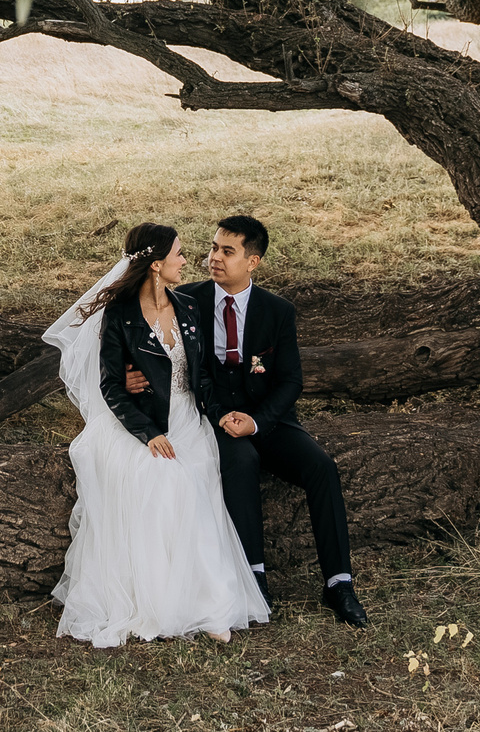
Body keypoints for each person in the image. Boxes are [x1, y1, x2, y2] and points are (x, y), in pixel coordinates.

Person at [44, 221, 271, 647]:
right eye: (180, 254)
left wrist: (219, 415)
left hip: (186, 419)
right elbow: (111, 385)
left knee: (196, 478)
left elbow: (200, 376)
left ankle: (209, 603)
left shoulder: (186, 307)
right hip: (139, 424)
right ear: (155, 264)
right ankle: (162, 601)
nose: (188, 261)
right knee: (163, 479)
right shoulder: (120, 316)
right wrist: (147, 433)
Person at [141, 215, 369, 627]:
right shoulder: (186, 301)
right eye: (213, 248)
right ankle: (253, 578)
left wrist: (258, 421)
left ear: (253, 261)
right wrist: (132, 371)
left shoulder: (277, 311)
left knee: (322, 467)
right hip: (213, 416)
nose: (214, 258)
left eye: (227, 251)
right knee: (240, 463)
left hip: (268, 419)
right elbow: (153, 342)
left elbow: (291, 379)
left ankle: (339, 583)